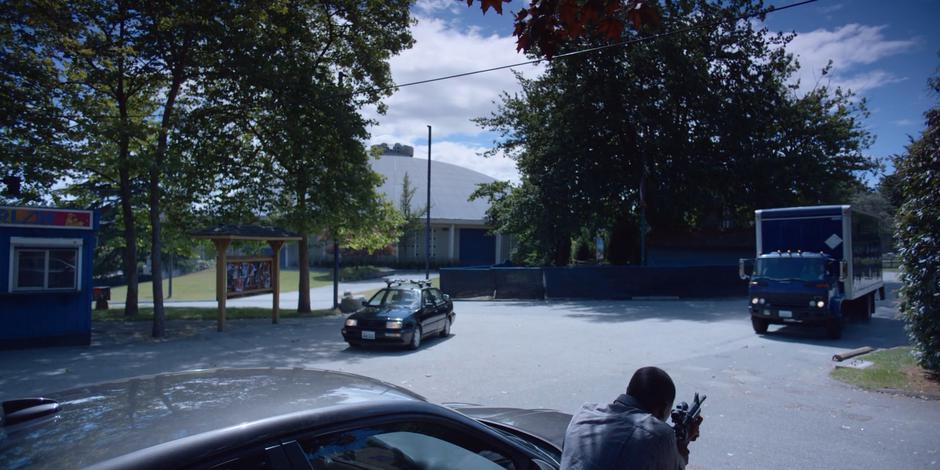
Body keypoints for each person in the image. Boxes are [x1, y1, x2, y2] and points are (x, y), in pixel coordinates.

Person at [560, 367, 703, 470]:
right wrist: (682, 445)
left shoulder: (583, 413)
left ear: (628, 391)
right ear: (662, 408)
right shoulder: (660, 435)